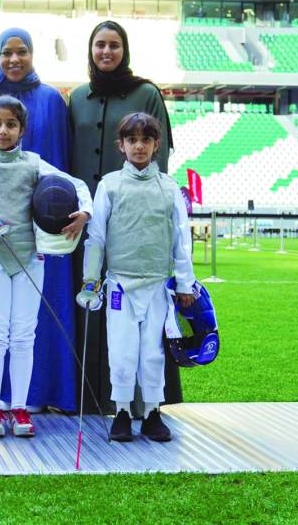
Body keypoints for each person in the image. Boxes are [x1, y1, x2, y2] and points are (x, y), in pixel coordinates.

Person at [0, 96, 91, 437]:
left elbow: (80, 186)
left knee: (24, 335)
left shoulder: (34, 163)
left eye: (11, 124)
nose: (3, 130)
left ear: (22, 129)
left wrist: (84, 212)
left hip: (30, 258)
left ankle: (20, 409)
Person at [68, 19, 180, 417]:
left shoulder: (145, 93)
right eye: (100, 45)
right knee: (96, 303)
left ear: (125, 49)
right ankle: (96, 397)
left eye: (114, 45)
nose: (107, 52)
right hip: (87, 222)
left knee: (144, 325)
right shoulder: (78, 97)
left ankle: (144, 403)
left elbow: (160, 158)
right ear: (91, 50)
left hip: (136, 225)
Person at [0, 27, 76, 412]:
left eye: (21, 52)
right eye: (6, 52)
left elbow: (62, 168)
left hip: (38, 237)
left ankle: (37, 397)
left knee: (29, 326)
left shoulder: (52, 100)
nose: (13, 59)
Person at [77, 112, 194, 443]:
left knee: (153, 353)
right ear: (121, 145)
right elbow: (96, 237)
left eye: (146, 139)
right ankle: (123, 412)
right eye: (132, 140)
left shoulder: (169, 188)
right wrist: (90, 281)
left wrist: (184, 283)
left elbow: (181, 240)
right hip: (119, 286)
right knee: (122, 351)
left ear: (157, 144)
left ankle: (153, 411)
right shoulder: (110, 185)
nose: (139, 146)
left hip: (157, 285)